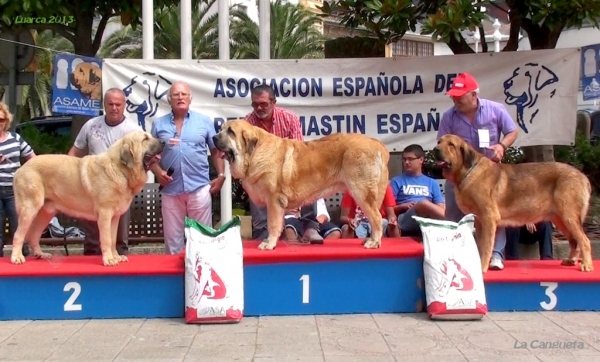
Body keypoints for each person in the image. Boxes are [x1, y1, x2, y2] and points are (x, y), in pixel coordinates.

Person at [437, 72, 519, 271]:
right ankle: (456, 256)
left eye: (460, 95)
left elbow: (512, 131)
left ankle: (496, 255)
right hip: (459, 176)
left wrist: (501, 146)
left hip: (489, 173)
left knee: (492, 213)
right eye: (453, 95)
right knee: (454, 214)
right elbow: (441, 143)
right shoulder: (449, 117)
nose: (456, 99)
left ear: (473, 95)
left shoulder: (495, 110)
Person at [150, 81, 225, 254]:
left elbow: (215, 152)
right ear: (169, 100)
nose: (180, 97)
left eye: (184, 94)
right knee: (173, 243)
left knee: (202, 240)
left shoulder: (204, 122)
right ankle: (173, 280)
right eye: (176, 94)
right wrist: (158, 172)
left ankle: (202, 278)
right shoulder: (158, 125)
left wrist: (221, 174)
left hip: (199, 188)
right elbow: (150, 157)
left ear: (190, 99)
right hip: (170, 190)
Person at [243, 85, 323, 242]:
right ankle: (263, 235)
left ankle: (310, 227)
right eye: (255, 104)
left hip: (288, 170)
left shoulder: (289, 118)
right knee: (253, 182)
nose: (259, 108)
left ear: (274, 102)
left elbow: (299, 151)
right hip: (262, 175)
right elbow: (247, 157)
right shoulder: (247, 124)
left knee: (308, 170)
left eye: (263, 104)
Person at [68, 88, 141, 256]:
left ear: (124, 106)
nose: (114, 108)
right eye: (110, 104)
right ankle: (91, 267)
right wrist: (70, 176)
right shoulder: (91, 125)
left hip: (120, 188)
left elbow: (138, 162)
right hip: (93, 187)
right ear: (104, 105)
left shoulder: (133, 130)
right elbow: (74, 153)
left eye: (118, 104)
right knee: (92, 236)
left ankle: (119, 265)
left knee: (119, 237)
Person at [0, 102, 36, 257]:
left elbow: (33, 160)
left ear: (6, 121)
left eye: (1, 120)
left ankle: (23, 261)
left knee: (20, 227)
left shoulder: (15, 138)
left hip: (15, 191)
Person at [389, 144, 445, 236]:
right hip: (405, 219)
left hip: (427, 218)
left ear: (421, 160)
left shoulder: (432, 182)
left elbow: (440, 208)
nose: (406, 162)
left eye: (410, 159)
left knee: (426, 205)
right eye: (404, 159)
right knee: (423, 203)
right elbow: (388, 209)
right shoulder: (396, 181)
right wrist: (402, 206)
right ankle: (454, 222)